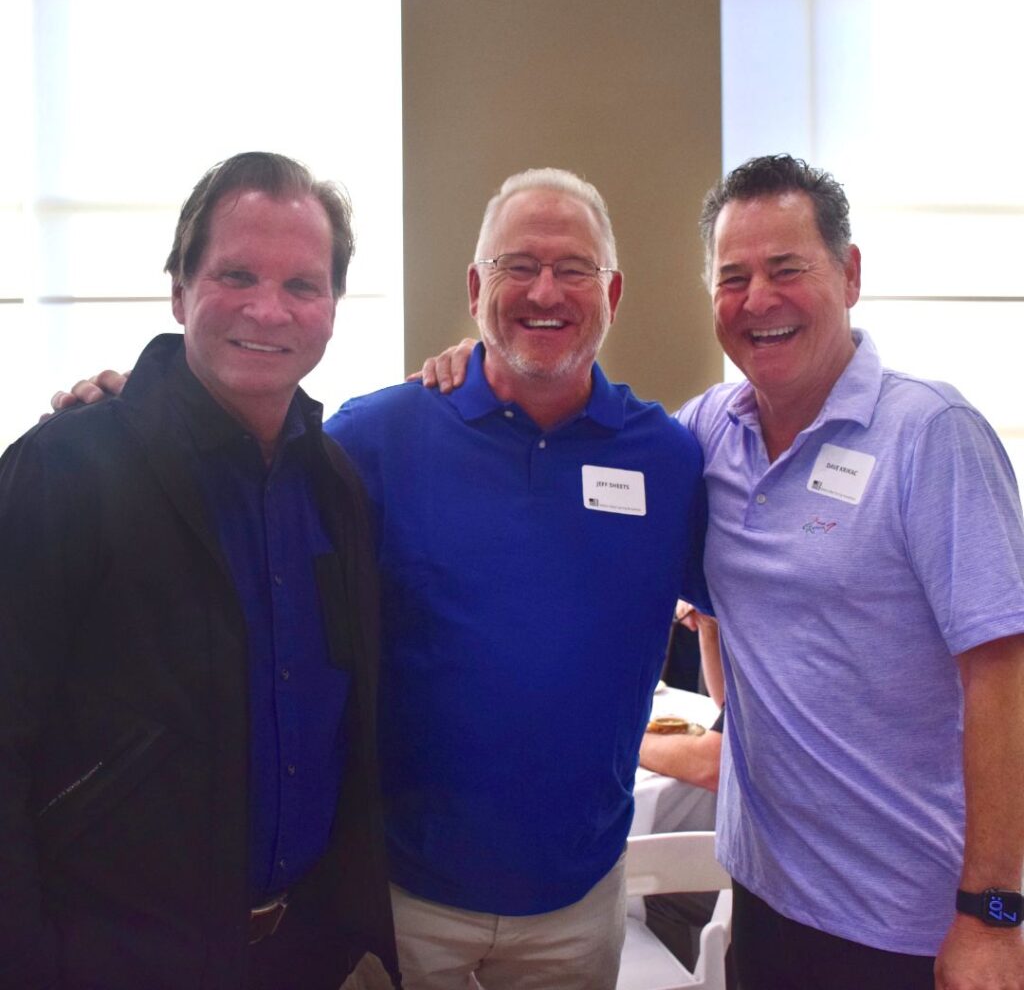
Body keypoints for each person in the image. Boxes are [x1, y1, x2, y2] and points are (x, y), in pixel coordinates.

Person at [45, 167, 712, 990]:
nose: (546, 290)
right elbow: (240, 456)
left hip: (577, 902)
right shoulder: (372, 440)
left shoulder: (672, 460)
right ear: (475, 286)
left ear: (613, 290)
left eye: (574, 268)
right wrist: (120, 407)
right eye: (517, 266)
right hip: (397, 896)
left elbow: (755, 608)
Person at [415, 154, 1024, 990]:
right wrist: (494, 356)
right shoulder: (705, 438)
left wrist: (993, 911)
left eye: (786, 269)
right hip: (767, 898)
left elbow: (1004, 672)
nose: (758, 300)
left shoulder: (931, 434)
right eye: (733, 277)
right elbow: (579, 450)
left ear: (848, 275)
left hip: (912, 917)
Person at [0, 152, 399, 990]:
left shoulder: (337, 487)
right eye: (237, 274)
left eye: (303, 284)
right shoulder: (64, 468)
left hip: (303, 949)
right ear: (179, 291)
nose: (268, 308)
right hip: (114, 958)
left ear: (331, 309)